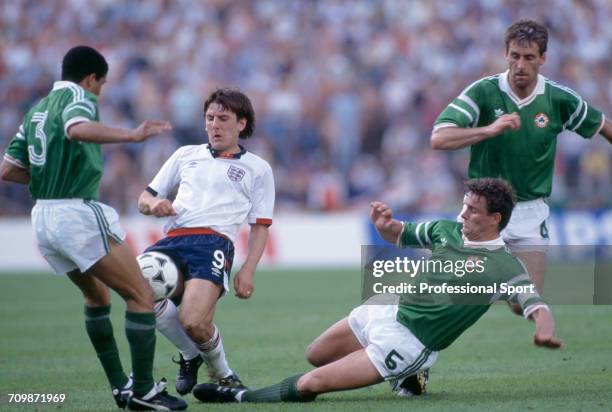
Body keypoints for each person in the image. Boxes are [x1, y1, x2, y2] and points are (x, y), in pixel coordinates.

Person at [190, 177, 563, 404]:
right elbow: (398, 233)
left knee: (308, 386)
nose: (462, 215)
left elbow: (535, 304)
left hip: (409, 343)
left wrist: (544, 330)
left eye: (472, 212)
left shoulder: (504, 265)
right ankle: (408, 380)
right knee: (315, 355)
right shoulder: (445, 230)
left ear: (495, 218)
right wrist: (385, 223)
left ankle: (237, 395)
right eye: (464, 207)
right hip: (386, 309)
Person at [0, 46, 187, 410]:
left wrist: (48, 181)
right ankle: (145, 392)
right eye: (101, 84)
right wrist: (131, 136)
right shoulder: (79, 97)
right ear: (91, 79)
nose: (100, 91)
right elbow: (77, 129)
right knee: (141, 296)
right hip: (75, 213)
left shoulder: (37, 110)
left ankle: (121, 386)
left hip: (43, 217)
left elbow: (7, 170)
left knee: (97, 297)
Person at [430, 19, 612, 312]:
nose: (520, 64)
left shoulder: (558, 99)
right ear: (506, 55)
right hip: (483, 208)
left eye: (529, 57)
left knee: (523, 304)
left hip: (530, 210)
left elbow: (603, 127)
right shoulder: (484, 92)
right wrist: (488, 130)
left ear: (543, 59)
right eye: (514, 56)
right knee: (456, 297)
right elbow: (439, 138)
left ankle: (497, 279)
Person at [137, 88, 275, 396]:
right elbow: (144, 198)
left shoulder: (258, 168)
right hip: (171, 241)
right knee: (138, 294)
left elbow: (260, 226)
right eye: (209, 118)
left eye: (223, 118)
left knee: (194, 322)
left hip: (213, 243)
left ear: (241, 123)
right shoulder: (185, 154)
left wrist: (248, 270)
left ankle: (222, 372)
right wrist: (153, 206)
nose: (214, 124)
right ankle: (192, 357)